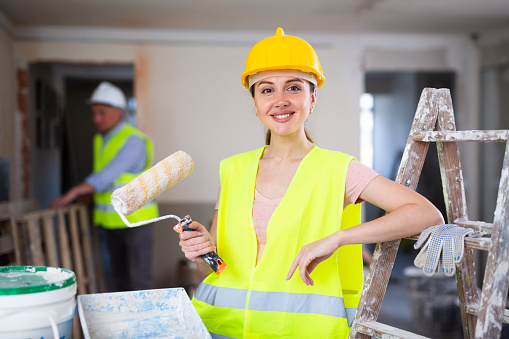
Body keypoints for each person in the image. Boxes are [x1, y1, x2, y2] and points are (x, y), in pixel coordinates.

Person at [177, 28, 444, 338]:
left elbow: (427, 215)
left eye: (293, 87)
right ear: (254, 102)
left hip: (302, 331)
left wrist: (341, 238)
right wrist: (200, 253)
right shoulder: (233, 169)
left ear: (312, 97)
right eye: (266, 90)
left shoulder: (339, 170)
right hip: (219, 328)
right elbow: (212, 268)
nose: (280, 101)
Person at [50, 81, 159, 292]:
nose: (96, 119)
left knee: (139, 281)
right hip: (111, 222)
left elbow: (109, 175)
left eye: (101, 113)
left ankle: (140, 324)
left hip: (136, 221)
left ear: (118, 113)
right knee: (118, 279)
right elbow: (114, 185)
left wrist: (75, 190)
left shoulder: (133, 140)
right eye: (93, 113)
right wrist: (90, 197)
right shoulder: (101, 139)